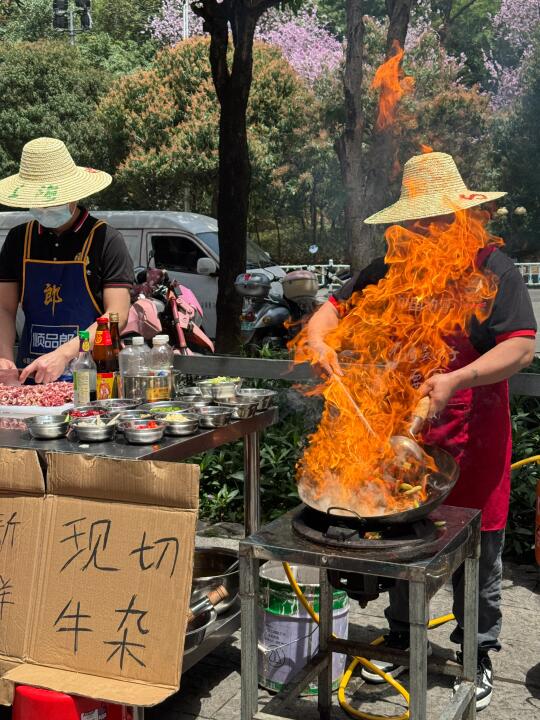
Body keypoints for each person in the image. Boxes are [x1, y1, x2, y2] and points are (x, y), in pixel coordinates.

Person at [306, 152, 536, 711]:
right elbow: (330, 309)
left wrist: (457, 378)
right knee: (402, 549)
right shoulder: (390, 268)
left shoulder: (493, 269)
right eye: (416, 221)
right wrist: (318, 341)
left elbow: (521, 348)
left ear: (459, 216)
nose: (422, 231)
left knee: (477, 559)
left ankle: (476, 655)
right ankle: (404, 640)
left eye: (434, 220)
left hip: (472, 442)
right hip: (400, 445)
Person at [0, 137, 134, 383]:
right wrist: (5, 359)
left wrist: (64, 354)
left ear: (74, 196)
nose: (45, 208)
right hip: (30, 375)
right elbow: (4, 308)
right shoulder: (19, 239)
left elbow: (117, 315)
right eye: (38, 202)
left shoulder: (106, 239)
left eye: (52, 201)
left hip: (93, 378)